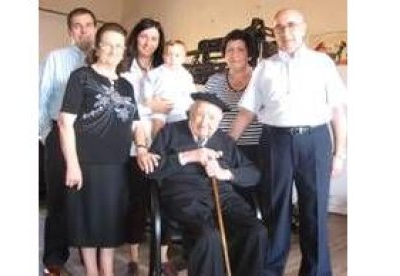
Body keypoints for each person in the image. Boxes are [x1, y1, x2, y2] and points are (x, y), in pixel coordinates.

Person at [230, 8, 347, 276]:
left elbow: (337, 111)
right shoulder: (264, 67)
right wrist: (226, 143)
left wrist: (340, 153)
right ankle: (270, 271)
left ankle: (316, 272)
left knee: (315, 212)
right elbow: (247, 111)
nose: (285, 32)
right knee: (275, 211)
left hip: (315, 141)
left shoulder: (322, 63)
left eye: (291, 25)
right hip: (274, 142)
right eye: (279, 27)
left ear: (304, 28)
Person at [57, 22, 151, 276]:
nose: (113, 49)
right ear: (97, 47)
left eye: (118, 45)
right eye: (108, 44)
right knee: (87, 223)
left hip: (117, 165)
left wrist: (141, 148)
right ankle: (91, 271)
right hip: (86, 163)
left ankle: (107, 270)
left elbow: (136, 124)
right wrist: (73, 165)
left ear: (124, 51)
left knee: (110, 222)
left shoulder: (126, 86)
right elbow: (65, 123)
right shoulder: (82, 77)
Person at [144, 92, 268, 276]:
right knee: (208, 237)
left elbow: (253, 174)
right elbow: (152, 170)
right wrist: (188, 156)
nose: (205, 122)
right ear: (190, 114)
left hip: (223, 196)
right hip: (184, 197)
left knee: (255, 231)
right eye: (200, 115)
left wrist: (224, 173)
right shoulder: (169, 132)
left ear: (219, 122)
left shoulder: (223, 140)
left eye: (212, 118)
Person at [38, 7, 97, 276]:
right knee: (60, 199)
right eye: (77, 25)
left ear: (95, 28)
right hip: (60, 134)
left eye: (88, 25)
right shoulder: (56, 58)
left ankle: (87, 251)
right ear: (70, 31)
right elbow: (41, 97)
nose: (83, 30)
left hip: (93, 138)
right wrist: (45, 134)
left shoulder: (104, 60)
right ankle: (54, 258)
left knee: (89, 199)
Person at [121, 18, 177, 276]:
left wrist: (157, 109)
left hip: (161, 145)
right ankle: (133, 258)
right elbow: (121, 107)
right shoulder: (123, 67)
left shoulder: (165, 68)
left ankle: (164, 258)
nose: (148, 43)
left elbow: (171, 105)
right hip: (132, 147)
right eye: (144, 36)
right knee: (136, 202)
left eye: (154, 38)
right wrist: (149, 107)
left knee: (165, 201)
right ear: (135, 37)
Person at [204, 29, 263, 203]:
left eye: (240, 49)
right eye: (229, 50)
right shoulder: (214, 81)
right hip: (223, 147)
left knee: (253, 196)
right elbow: (205, 112)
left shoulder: (261, 78)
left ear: (249, 54)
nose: (234, 54)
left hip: (255, 147)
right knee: (226, 197)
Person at [142, 39, 196, 137]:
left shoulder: (186, 75)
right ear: (163, 56)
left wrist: (192, 107)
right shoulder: (155, 73)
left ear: (184, 58)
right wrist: (149, 100)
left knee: (184, 128)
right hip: (160, 108)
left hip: (179, 109)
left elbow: (192, 94)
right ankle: (156, 147)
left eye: (177, 55)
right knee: (157, 127)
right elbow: (147, 89)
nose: (172, 58)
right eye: (169, 55)